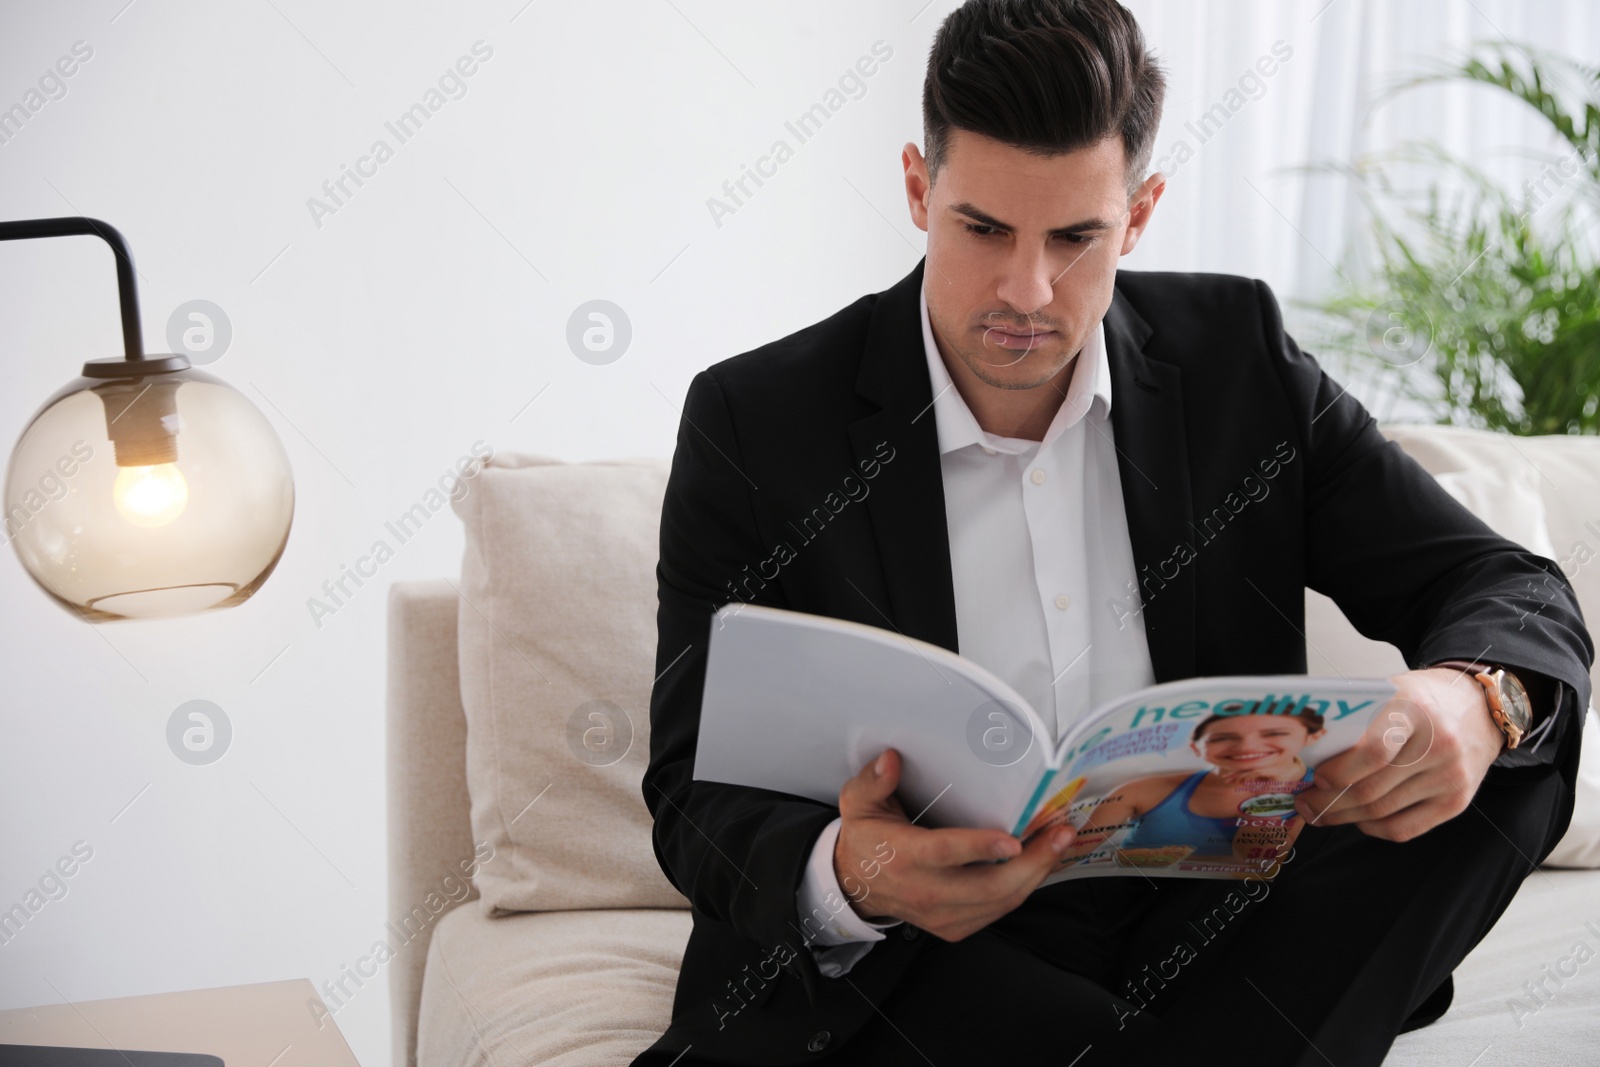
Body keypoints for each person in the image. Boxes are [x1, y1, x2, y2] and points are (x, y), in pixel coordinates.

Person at [635, 1, 1593, 1064]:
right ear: (918, 188)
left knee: (1512, 752)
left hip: (1210, 910)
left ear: (1137, 215)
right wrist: (853, 872)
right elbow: (687, 792)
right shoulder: (758, 420)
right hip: (931, 944)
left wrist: (1471, 700)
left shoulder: (1239, 361)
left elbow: (1500, 584)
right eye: (983, 228)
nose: (1026, 290)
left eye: (1075, 237)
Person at [1055, 710, 1326, 869]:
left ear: (1311, 737)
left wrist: (1272, 793)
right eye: (1224, 737)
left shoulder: (1324, 791)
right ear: (1200, 748)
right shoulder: (1147, 789)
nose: (1247, 748)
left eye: (1273, 734)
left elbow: (1261, 864)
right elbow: (1068, 858)